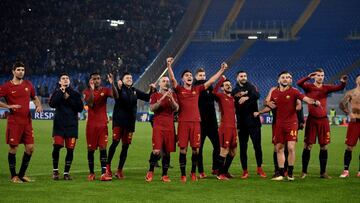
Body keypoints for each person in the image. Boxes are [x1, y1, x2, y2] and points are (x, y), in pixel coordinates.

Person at [167, 57, 228, 182]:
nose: (189, 76)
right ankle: (183, 174)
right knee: (183, 149)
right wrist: (169, 66)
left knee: (196, 149)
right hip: (183, 123)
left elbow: (211, 81)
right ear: (183, 79)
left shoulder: (197, 89)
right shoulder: (179, 89)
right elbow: (172, 79)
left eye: (190, 75)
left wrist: (221, 70)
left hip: (196, 123)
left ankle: (193, 173)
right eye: (186, 75)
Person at [254, 71, 320, 181]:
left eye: (288, 77)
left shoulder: (294, 91)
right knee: (279, 148)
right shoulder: (274, 92)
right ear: (278, 80)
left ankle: (290, 173)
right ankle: (280, 173)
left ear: (291, 80)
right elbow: (272, 106)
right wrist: (260, 112)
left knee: (290, 147)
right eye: (283, 77)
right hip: (279, 124)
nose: (285, 79)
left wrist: (314, 102)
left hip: (291, 123)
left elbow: (305, 99)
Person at [297, 69, 347, 179]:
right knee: (308, 145)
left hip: (323, 120)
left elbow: (339, 88)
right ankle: (304, 172)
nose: (320, 77)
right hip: (312, 120)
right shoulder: (309, 87)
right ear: (315, 76)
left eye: (322, 75)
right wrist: (307, 77)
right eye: (318, 75)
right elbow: (299, 83)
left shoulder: (326, 88)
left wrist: (343, 82)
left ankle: (323, 172)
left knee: (324, 146)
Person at [106, 72, 155, 179]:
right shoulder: (119, 88)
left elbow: (147, 98)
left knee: (125, 147)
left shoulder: (134, 91)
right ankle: (108, 167)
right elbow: (115, 95)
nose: (129, 79)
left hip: (130, 123)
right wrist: (113, 84)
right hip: (119, 121)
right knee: (115, 143)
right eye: (127, 77)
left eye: (131, 77)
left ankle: (119, 170)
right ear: (122, 80)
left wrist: (152, 90)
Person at [0, 61, 43, 183]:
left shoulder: (28, 84)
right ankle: (14, 176)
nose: (21, 72)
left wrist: (38, 105)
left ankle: (22, 175)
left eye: (22, 70)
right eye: (18, 69)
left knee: (30, 148)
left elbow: (35, 98)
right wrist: (8, 106)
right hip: (14, 122)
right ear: (13, 71)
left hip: (27, 122)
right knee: (13, 148)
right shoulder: (6, 86)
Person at [49, 73, 83, 180]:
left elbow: (80, 108)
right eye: (63, 78)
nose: (65, 80)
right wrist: (61, 92)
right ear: (59, 82)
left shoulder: (75, 94)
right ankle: (55, 171)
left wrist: (68, 98)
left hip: (72, 126)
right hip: (59, 125)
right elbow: (52, 104)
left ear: (69, 81)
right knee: (56, 148)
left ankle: (66, 173)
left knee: (70, 150)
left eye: (67, 78)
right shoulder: (56, 93)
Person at [232, 71, 266, 179]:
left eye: (245, 76)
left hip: (254, 122)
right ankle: (245, 171)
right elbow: (236, 98)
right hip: (242, 123)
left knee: (257, 146)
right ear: (237, 78)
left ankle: (259, 168)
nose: (243, 77)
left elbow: (257, 95)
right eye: (241, 76)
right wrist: (245, 95)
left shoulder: (251, 86)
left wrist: (246, 97)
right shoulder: (234, 91)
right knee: (243, 148)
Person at [145, 76, 179, 182]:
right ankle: (150, 171)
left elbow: (176, 108)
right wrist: (162, 99)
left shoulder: (173, 95)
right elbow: (152, 108)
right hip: (158, 125)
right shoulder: (155, 95)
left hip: (170, 126)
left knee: (167, 152)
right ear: (159, 84)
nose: (166, 82)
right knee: (156, 151)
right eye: (164, 81)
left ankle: (164, 175)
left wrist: (171, 98)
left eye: (167, 81)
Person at [83, 72, 115, 181]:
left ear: (100, 80)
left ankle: (103, 173)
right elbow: (90, 103)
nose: (96, 81)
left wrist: (113, 84)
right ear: (90, 81)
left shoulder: (105, 90)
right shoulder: (86, 92)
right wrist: (92, 90)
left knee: (103, 148)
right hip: (91, 126)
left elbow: (116, 96)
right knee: (90, 150)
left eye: (98, 79)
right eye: (94, 79)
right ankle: (91, 173)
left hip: (102, 125)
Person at [193, 68, 220, 178]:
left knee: (218, 146)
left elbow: (214, 97)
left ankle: (215, 168)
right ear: (196, 77)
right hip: (200, 123)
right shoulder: (195, 88)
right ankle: (201, 171)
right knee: (199, 148)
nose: (203, 77)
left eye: (204, 75)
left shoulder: (210, 87)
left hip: (212, 122)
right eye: (200, 75)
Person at [212, 76, 237, 180]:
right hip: (225, 127)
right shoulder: (221, 96)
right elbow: (213, 92)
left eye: (230, 85)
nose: (229, 86)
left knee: (233, 151)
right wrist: (221, 80)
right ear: (222, 88)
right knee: (224, 151)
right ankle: (220, 174)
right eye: (226, 85)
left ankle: (225, 171)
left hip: (233, 128)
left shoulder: (232, 98)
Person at [339, 74, 360, 178]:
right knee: (349, 147)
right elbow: (341, 104)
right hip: (354, 122)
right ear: (356, 80)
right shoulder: (351, 93)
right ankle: (346, 170)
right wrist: (349, 113)